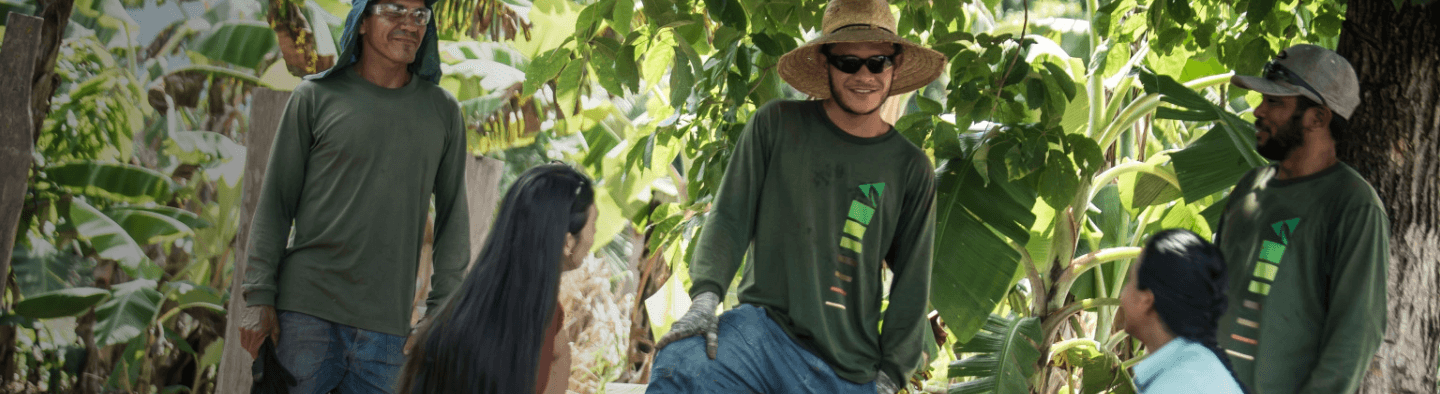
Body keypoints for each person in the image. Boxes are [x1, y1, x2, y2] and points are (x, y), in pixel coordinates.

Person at [646, 1, 945, 393]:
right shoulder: (776, 126)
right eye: (848, 62)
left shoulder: (910, 167)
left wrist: (890, 377)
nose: (864, 76)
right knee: (679, 366)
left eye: (878, 62)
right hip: (763, 337)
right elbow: (730, 217)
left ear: (896, 64)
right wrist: (705, 299)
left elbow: (912, 280)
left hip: (848, 368)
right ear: (825, 63)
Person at [236, 0, 469, 391]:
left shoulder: (442, 112)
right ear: (362, 21)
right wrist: (259, 296)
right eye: (395, 10)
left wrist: (440, 314)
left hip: (388, 334)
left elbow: (454, 221)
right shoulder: (314, 97)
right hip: (304, 317)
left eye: (419, 15)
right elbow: (276, 202)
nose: (409, 24)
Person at [1214, 44, 1389, 393]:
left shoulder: (1352, 206)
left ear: (1317, 118)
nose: (1258, 111)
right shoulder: (1249, 188)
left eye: (1275, 102)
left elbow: (1354, 335)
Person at [398, 163, 597, 394]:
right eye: (594, 224)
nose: (593, 237)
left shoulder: (469, 310)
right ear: (567, 242)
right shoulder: (524, 330)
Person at [1121, 229, 1246, 394]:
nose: (1122, 294)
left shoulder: (1177, 385)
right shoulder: (1199, 367)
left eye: (1130, 282)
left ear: (1146, 299)